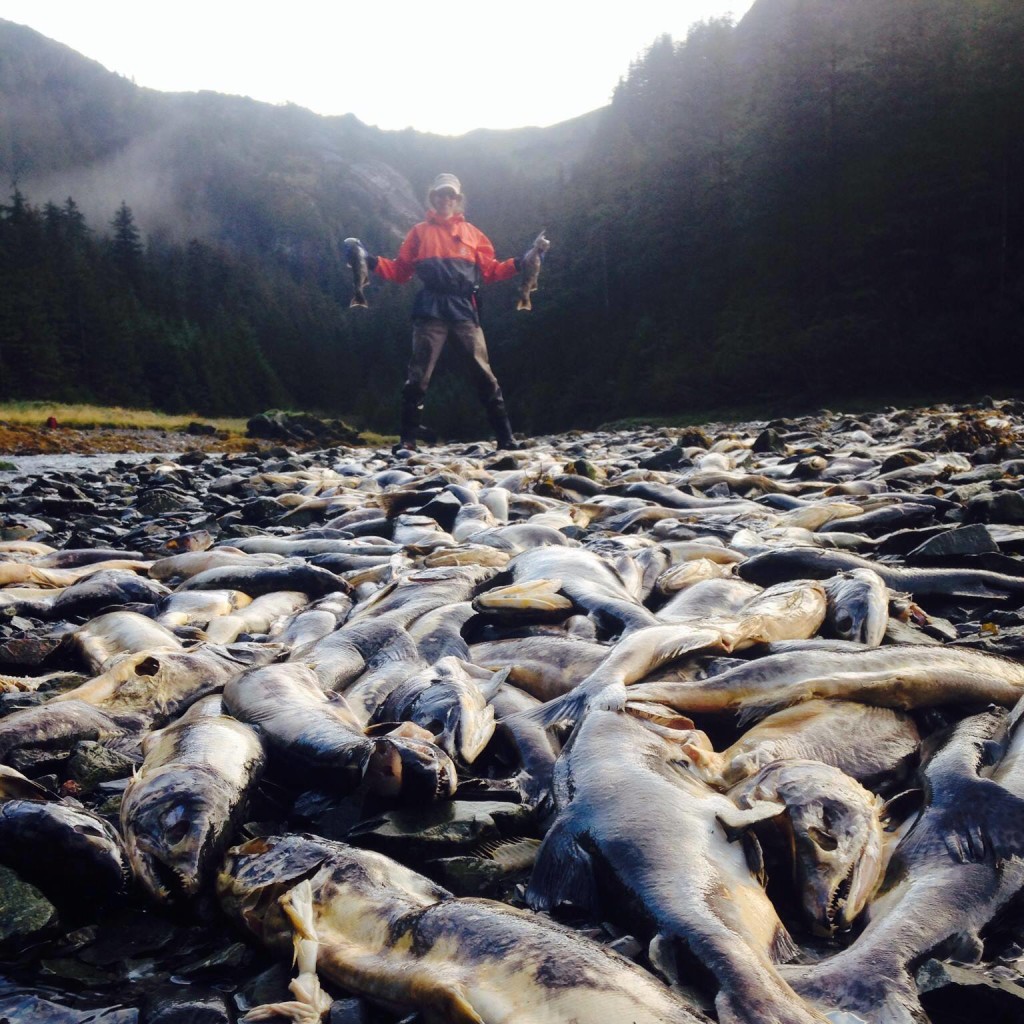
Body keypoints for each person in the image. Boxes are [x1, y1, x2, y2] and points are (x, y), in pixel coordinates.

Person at [345, 173, 541, 454]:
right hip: (430, 306)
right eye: (439, 194)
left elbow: (492, 271)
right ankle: (408, 440)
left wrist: (523, 263)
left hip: (464, 307)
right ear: (432, 198)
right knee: (418, 374)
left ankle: (505, 437)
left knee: (483, 372)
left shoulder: (474, 234)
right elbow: (400, 272)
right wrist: (368, 261)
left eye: (450, 195)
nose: (444, 199)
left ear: (457, 200)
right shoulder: (418, 233)